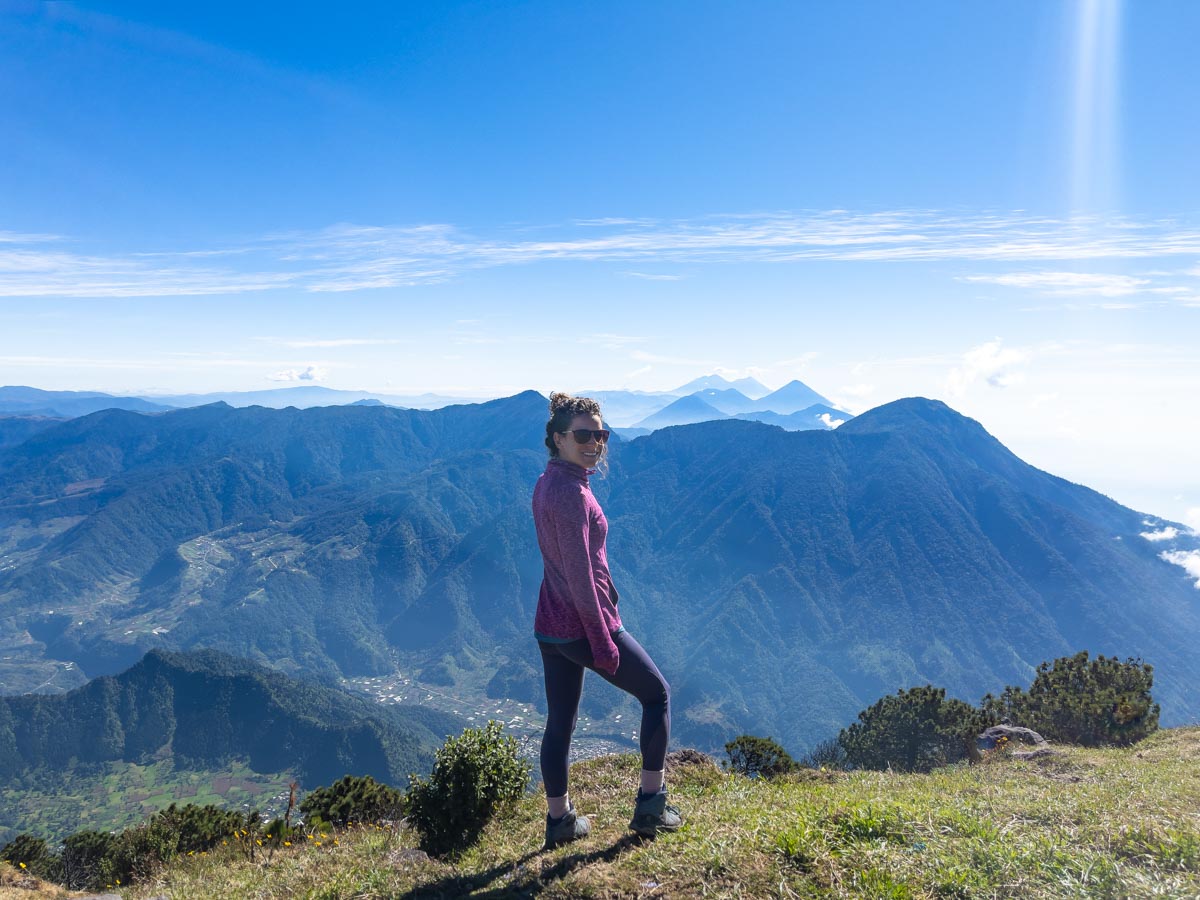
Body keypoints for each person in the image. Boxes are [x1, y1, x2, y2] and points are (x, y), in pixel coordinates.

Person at [533, 391, 682, 849]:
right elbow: (579, 575)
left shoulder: (547, 483)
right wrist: (602, 639)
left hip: (549, 625)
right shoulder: (573, 494)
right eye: (583, 434)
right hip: (584, 622)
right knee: (657, 695)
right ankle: (651, 805)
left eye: (600, 433)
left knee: (560, 723)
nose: (595, 441)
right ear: (558, 438)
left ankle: (560, 822)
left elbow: (568, 562)